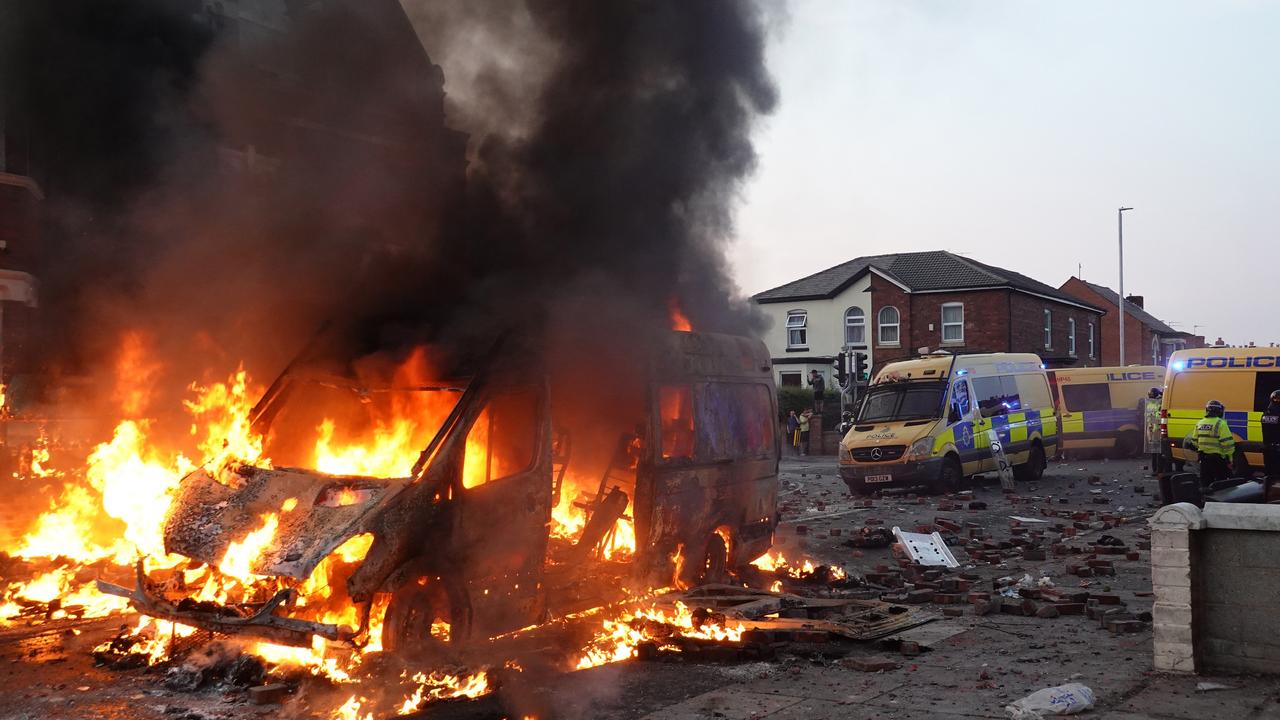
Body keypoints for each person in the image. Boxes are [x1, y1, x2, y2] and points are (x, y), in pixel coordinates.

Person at [1192, 399, 1235, 485]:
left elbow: (1194, 441)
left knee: (1205, 483)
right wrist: (1229, 458)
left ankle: (1206, 498)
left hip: (1204, 459)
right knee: (1221, 484)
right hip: (1218, 460)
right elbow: (1227, 444)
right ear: (1219, 411)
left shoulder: (1200, 423)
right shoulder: (1221, 424)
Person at [1142, 387, 1164, 475]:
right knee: (1159, 452)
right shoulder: (1159, 403)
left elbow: (1148, 417)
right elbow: (1159, 416)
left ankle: (1155, 470)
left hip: (1151, 430)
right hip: (1157, 430)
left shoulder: (1150, 404)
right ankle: (1159, 470)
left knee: (1154, 452)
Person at [1262, 390, 1280, 482]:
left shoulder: (1265, 414)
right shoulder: (1278, 413)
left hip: (1267, 448)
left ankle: (1266, 493)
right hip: (1277, 449)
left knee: (1268, 474)